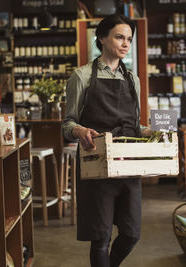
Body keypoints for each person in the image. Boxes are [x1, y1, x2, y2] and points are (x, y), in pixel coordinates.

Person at [62, 14, 151, 267]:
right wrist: (80, 131)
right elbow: (67, 124)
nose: (125, 44)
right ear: (102, 38)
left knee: (131, 233)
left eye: (129, 39)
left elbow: (135, 124)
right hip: (96, 163)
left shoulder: (133, 80)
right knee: (100, 238)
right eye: (119, 37)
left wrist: (152, 132)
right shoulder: (81, 77)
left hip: (128, 164)